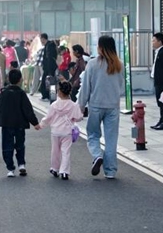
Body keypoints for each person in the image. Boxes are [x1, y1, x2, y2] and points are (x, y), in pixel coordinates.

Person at [78, 35, 124, 179]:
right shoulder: (119, 64)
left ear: (100, 47)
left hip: (96, 105)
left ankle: (97, 155)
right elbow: (121, 88)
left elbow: (86, 87)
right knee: (111, 139)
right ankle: (110, 171)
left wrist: (81, 105)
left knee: (92, 134)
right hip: (113, 106)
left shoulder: (92, 64)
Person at [0, 68, 40, 177]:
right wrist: (35, 123)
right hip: (19, 123)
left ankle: (10, 168)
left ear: (8, 79)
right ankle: (21, 164)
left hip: (6, 123)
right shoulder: (21, 94)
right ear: (20, 80)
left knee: (7, 145)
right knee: (20, 144)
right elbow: (28, 110)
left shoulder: (3, 93)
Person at [38, 81, 84, 180]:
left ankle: (54, 168)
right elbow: (79, 117)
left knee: (55, 151)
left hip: (55, 132)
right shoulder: (73, 105)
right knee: (65, 152)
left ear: (59, 92)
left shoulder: (54, 105)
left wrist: (41, 125)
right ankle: (64, 171)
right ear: (69, 92)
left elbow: (48, 118)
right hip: (67, 132)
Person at [39, 33, 58, 101]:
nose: (41, 41)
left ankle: (48, 96)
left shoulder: (49, 46)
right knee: (50, 82)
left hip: (49, 68)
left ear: (43, 39)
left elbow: (49, 58)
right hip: (50, 67)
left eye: (41, 39)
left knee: (47, 82)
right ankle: (51, 97)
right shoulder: (50, 45)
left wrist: (49, 70)